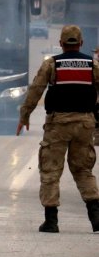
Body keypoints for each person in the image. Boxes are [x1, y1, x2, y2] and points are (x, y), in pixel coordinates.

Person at [16, 24, 99, 233]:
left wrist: (24, 116)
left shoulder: (52, 64)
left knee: (51, 170)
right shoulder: (93, 65)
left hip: (58, 124)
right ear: (81, 43)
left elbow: (36, 89)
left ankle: (51, 221)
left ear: (61, 44)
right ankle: (96, 217)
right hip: (85, 124)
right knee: (83, 170)